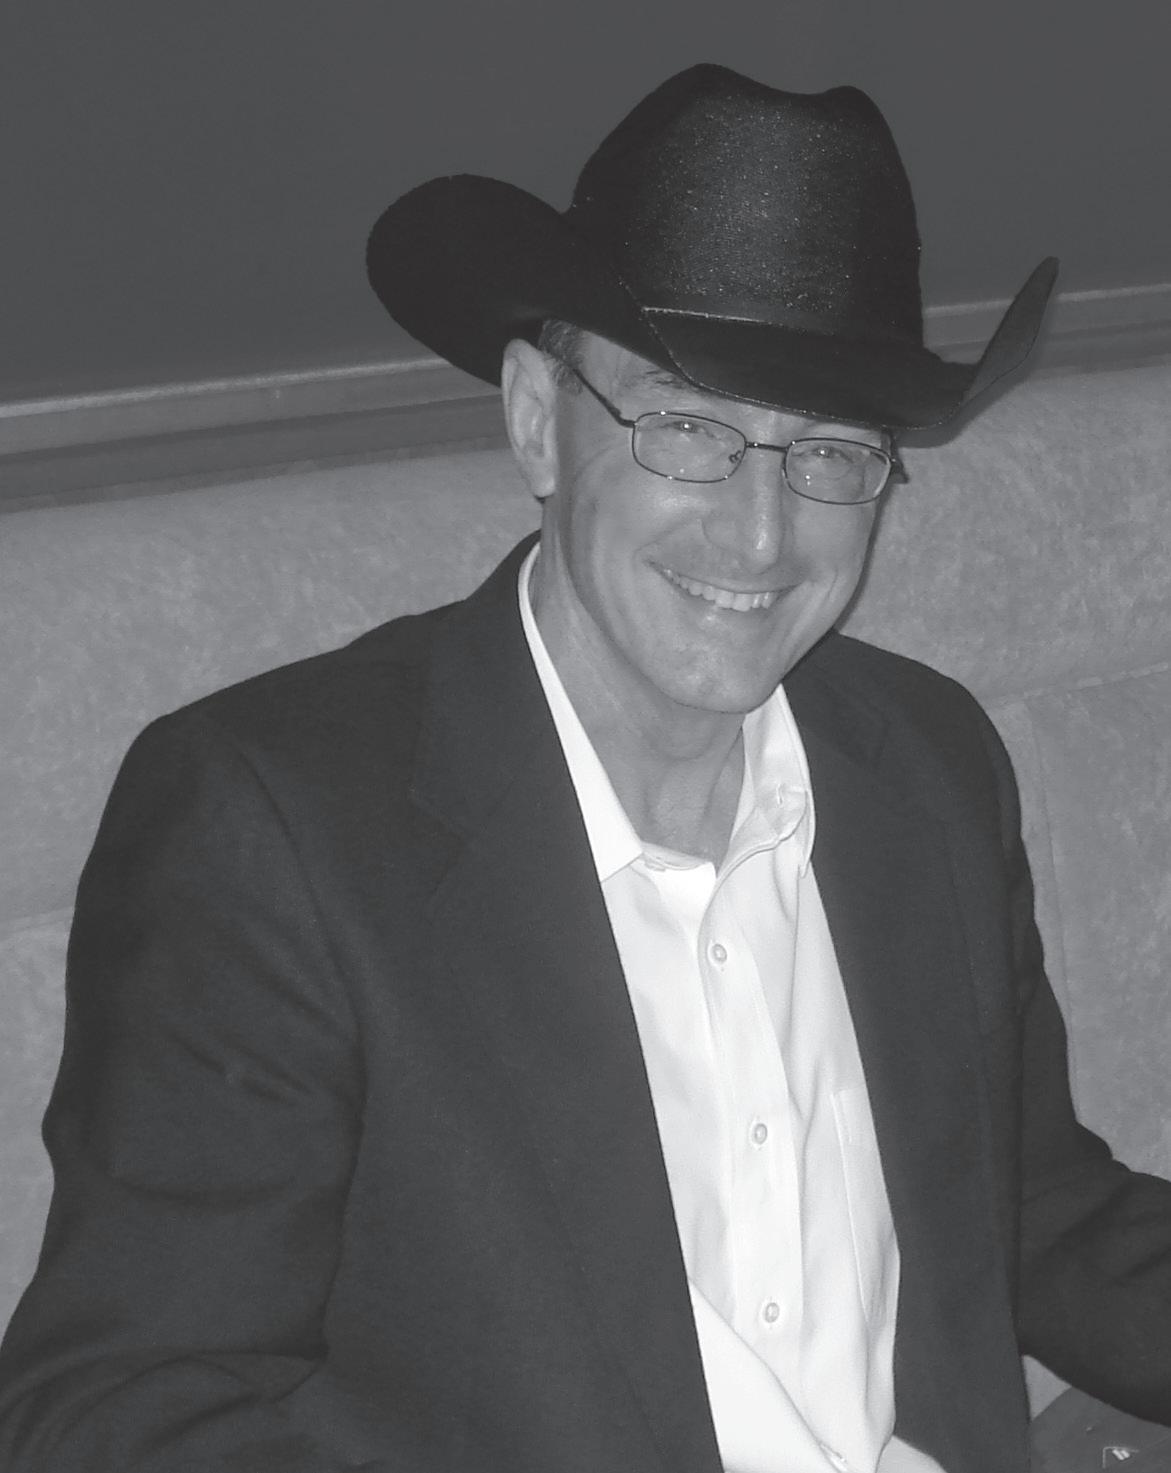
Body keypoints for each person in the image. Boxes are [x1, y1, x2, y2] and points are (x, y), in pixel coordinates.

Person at [0, 62, 1168, 1473]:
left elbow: (1030, 1207)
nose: (761, 536)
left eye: (829, 452)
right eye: (688, 428)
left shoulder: (926, 765)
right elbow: (120, 1411)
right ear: (537, 420)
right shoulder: (274, 827)